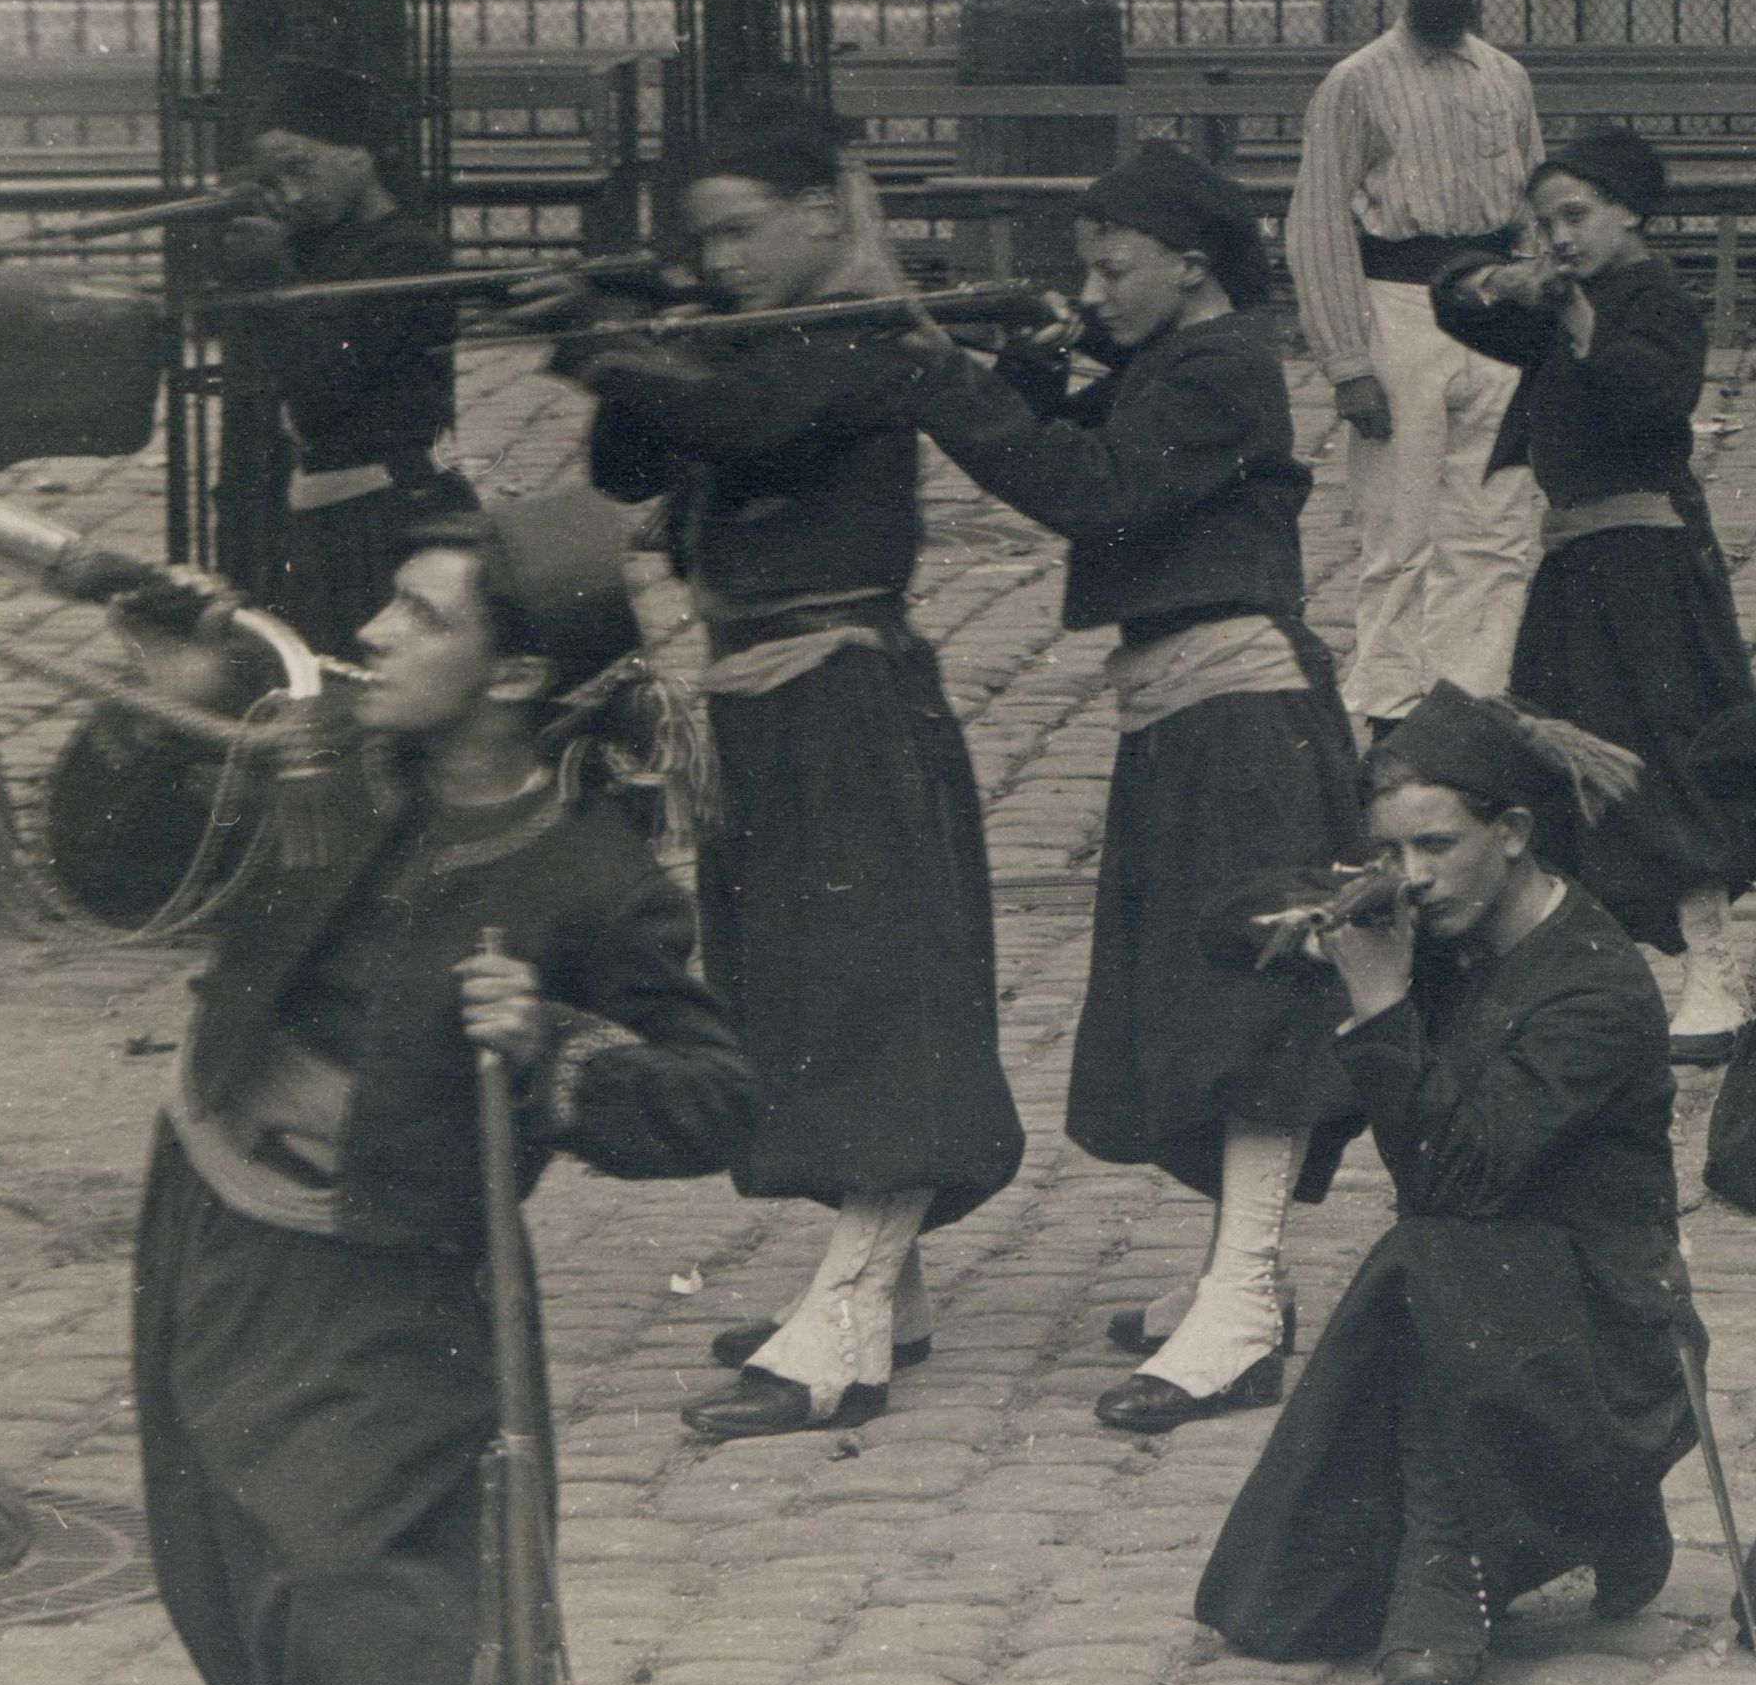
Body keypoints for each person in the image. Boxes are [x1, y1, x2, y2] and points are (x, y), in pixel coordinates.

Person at [106, 492, 751, 1685]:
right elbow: (121, 872)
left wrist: (555, 1040)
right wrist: (161, 714)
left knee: (359, 1558)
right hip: (216, 1191)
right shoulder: (336, 770)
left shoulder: (592, 877)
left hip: (396, 1259)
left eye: (421, 615)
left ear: (514, 677)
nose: (373, 634)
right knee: (244, 1542)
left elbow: (715, 1097)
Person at [537, 103, 1025, 1440]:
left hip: (846, 701)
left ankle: (851, 1319)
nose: (727, 258)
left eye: (742, 232)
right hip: (760, 711)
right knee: (797, 997)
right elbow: (633, 460)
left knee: (874, 1000)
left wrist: (613, 344)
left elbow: (753, 424)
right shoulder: (743, 337)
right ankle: (890, 1288)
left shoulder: (873, 335)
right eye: (706, 239)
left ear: (824, 213)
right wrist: (643, 332)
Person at [903, 139, 1366, 1434]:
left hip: (1241, 724)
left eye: (1113, 269)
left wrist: (949, 383)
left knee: (1255, 1015)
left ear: (1193, 265)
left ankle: (1249, 1301)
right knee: (1195, 1000)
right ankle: (1237, 1272)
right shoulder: (1175, 362)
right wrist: (1033, 371)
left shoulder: (1221, 373)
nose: (1093, 291)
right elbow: (1082, 430)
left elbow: (1087, 487)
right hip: (1186, 718)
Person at [1194, 684, 1697, 1685]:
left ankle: (1448, 1568)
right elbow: (1219, 926)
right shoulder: (1439, 923)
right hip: (1479, 1329)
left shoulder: (1593, 984)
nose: (1411, 879)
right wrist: (1333, 906)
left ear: (1509, 832)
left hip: (1608, 1342)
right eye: (1389, 855)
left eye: (1434, 845)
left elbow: (1454, 1174)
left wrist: (1378, 1003)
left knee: (1436, 1240)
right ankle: (1598, 1510)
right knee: (1280, 1610)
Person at [1431, 126, 1756, 1062]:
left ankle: (1713, 967)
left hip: (1649, 560)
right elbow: (1452, 297)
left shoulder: (1653, 300)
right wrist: (1503, 280)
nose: (1559, 237)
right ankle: (1585, 975)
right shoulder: (1560, 292)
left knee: (1662, 749)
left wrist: (1579, 324)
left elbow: (1652, 400)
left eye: (1575, 216)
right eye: (1544, 223)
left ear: (1632, 213)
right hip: (1579, 562)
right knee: (1564, 748)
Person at [1286, 0, 1543, 728]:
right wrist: (1348, 364)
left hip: (1497, 315)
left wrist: (1537, 309)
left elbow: (1535, 206)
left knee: (1496, 527)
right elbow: (1318, 222)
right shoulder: (1356, 83)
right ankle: (1394, 721)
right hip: (1399, 313)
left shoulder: (1505, 77)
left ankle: (1471, 712)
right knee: (1401, 536)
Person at [215, 57, 476, 657]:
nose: (292, 193)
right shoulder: (322, 246)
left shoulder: (405, 253)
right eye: (274, 179)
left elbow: (326, 380)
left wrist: (274, 275)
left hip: (387, 513)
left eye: (300, 168)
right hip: (324, 510)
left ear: (359, 154)